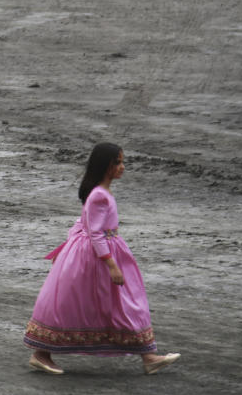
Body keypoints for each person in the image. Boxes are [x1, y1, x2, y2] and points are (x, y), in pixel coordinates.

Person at [23, 142, 181, 375]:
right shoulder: (99, 196)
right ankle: (41, 353)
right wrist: (111, 264)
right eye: (117, 162)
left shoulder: (101, 193)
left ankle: (148, 356)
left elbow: (87, 225)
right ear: (105, 166)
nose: (122, 167)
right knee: (106, 303)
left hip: (101, 252)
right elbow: (96, 233)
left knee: (121, 303)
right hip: (97, 257)